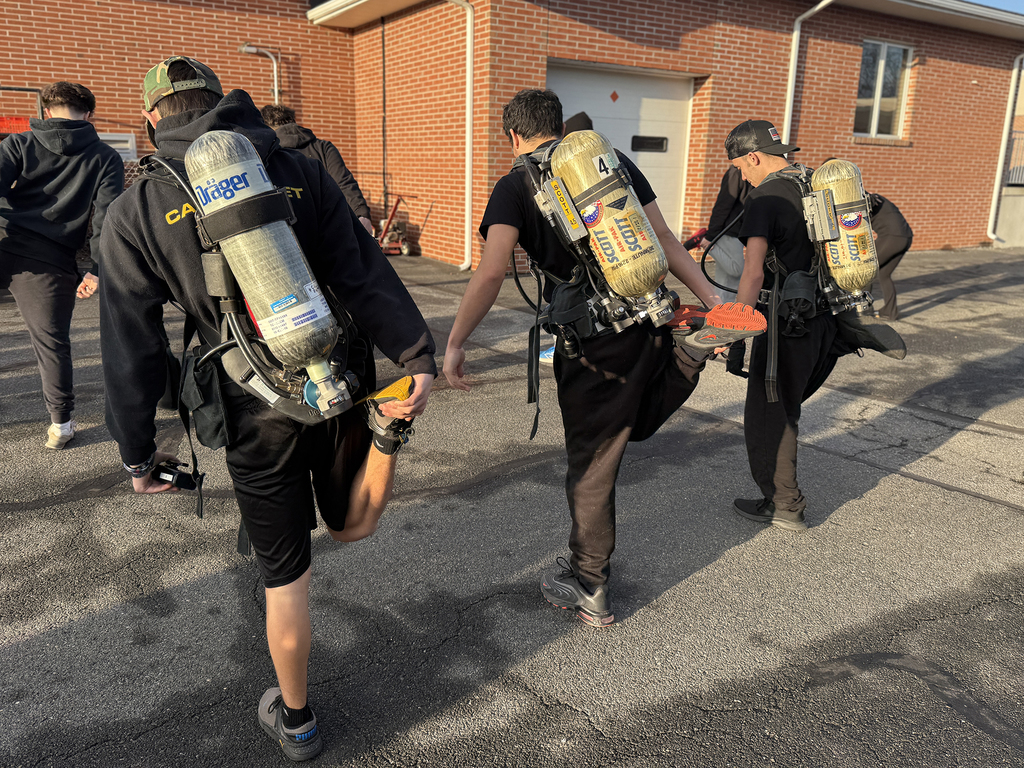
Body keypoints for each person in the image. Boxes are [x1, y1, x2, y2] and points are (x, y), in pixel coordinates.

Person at [99, 56, 436, 761]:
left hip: (252, 410)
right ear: (228, 104)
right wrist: (416, 356)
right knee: (346, 522)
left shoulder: (136, 208)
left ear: (154, 119)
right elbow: (361, 269)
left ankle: (298, 720)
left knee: (286, 577)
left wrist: (137, 450)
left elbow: (129, 345)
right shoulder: (299, 165)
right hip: (339, 378)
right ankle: (383, 439)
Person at [444, 89, 764, 628]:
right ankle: (686, 353)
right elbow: (662, 237)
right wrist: (714, 299)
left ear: (514, 136)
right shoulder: (610, 163)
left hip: (590, 341)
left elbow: (493, 271)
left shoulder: (514, 184)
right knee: (627, 428)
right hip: (648, 314)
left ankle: (589, 581)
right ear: (561, 126)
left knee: (591, 464)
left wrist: (455, 343)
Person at [726, 120, 840, 533]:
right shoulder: (813, 181)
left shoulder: (765, 197)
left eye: (741, 166)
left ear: (753, 156)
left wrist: (735, 330)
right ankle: (782, 496)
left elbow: (753, 274)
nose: (742, 176)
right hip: (828, 318)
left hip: (788, 323)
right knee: (786, 406)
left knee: (770, 412)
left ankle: (784, 505)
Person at [0, 81, 124, 448]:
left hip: (5, 237)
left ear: (46, 111)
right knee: (51, 343)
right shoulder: (105, 157)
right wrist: (97, 269)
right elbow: (107, 220)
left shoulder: (19, 144)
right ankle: (62, 424)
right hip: (49, 258)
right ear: (89, 114)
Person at [260, 103, 374, 236]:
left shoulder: (264, 153)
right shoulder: (323, 148)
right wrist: (361, 214)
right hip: (326, 235)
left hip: (285, 236)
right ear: (293, 122)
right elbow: (344, 183)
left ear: (266, 126)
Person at [538, 110, 593, 367]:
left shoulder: (562, 164)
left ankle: (562, 346)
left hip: (568, 257)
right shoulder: (600, 158)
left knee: (563, 300)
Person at [700, 165, 749, 303]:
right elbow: (723, 204)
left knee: (725, 279)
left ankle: (722, 311)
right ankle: (705, 244)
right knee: (736, 271)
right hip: (728, 231)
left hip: (739, 231)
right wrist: (711, 236)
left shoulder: (753, 173)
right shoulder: (736, 172)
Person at [868, 191, 913, 320]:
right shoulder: (877, 199)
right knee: (884, 274)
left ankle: (864, 310)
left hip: (891, 238)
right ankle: (890, 312)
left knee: (865, 268)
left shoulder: (868, 199)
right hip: (906, 237)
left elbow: (864, 198)